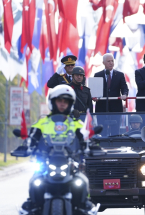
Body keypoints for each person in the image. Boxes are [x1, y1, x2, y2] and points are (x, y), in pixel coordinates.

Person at [19, 85, 96, 215]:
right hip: (45, 164)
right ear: (52, 102)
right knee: (35, 181)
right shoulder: (42, 123)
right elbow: (31, 138)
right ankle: (33, 205)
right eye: (59, 100)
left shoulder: (76, 124)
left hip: (70, 164)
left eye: (65, 101)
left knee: (82, 181)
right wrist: (26, 147)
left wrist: (92, 146)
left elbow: (85, 138)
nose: (62, 104)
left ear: (70, 104)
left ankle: (83, 205)